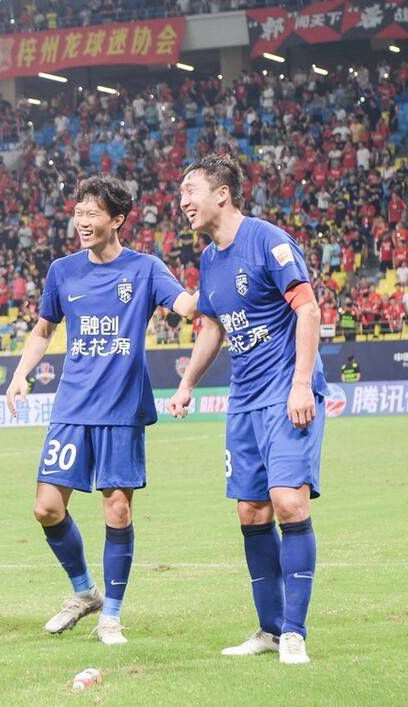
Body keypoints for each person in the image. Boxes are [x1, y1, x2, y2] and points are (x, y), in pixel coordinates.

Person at [5, 175, 199, 645]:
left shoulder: (146, 268)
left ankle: (111, 614)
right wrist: (20, 373)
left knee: (117, 511)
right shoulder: (63, 271)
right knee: (46, 508)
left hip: (121, 409)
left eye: (93, 214)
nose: (83, 222)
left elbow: (188, 307)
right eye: (79, 214)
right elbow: (43, 329)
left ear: (117, 219)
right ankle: (83, 591)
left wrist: (214, 274)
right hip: (71, 407)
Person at [169, 154, 326, 665]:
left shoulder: (268, 240)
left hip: (286, 390)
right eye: (182, 192)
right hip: (245, 399)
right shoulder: (210, 260)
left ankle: (296, 633)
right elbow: (212, 327)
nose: (183, 200)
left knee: (288, 503)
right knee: (251, 511)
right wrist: (188, 383)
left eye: (191, 189)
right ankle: (269, 629)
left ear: (223, 194)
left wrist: (301, 384)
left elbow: (307, 307)